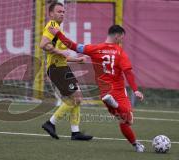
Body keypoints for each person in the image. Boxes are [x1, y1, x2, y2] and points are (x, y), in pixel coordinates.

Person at [48, 24, 145, 152]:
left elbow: (73, 46)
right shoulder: (120, 52)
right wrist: (135, 89)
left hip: (105, 93)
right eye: (122, 37)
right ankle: (134, 142)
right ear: (117, 36)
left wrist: (58, 34)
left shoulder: (95, 48)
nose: (122, 40)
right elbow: (128, 71)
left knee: (123, 120)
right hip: (119, 91)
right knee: (128, 120)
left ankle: (135, 144)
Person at [40, 1, 93, 140]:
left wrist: (77, 60)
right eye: (59, 11)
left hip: (62, 67)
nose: (62, 14)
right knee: (77, 97)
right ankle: (50, 123)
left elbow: (62, 56)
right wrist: (60, 52)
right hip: (57, 68)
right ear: (51, 14)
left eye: (63, 12)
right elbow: (43, 45)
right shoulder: (52, 25)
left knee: (76, 98)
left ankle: (75, 132)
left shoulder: (58, 30)